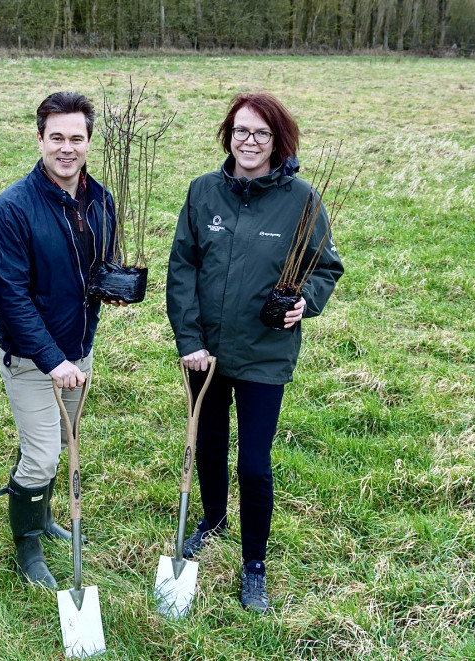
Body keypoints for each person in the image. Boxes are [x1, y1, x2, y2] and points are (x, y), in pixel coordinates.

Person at [166, 92, 343, 613]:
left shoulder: (302, 200)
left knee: (255, 464)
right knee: (210, 444)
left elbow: (325, 268)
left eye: (261, 134)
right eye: (241, 131)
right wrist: (190, 341)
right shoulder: (203, 193)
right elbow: (183, 269)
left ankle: (254, 565)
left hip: (265, 354)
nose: (249, 141)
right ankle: (213, 519)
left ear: (277, 141)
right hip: (207, 354)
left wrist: (303, 303)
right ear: (229, 135)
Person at [0, 91, 124, 588]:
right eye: (56, 137)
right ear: (39, 138)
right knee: (43, 453)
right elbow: (12, 298)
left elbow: (93, 266)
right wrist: (52, 360)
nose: (67, 148)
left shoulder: (100, 199)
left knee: (56, 443)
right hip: (31, 358)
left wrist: (110, 287)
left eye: (77, 138)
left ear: (89, 142)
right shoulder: (9, 211)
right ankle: (27, 545)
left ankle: (39, 515)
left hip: (78, 348)